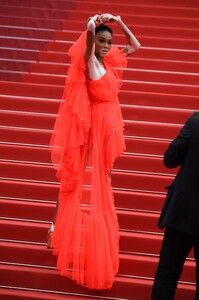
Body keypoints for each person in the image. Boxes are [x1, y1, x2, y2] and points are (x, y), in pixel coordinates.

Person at [48, 13, 140, 290]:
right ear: (93, 40)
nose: (106, 45)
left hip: (110, 123)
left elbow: (135, 46)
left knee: (104, 177)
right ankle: (57, 229)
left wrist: (120, 22)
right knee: (78, 175)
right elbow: (89, 32)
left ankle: (62, 229)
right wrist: (93, 21)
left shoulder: (108, 58)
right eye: (102, 40)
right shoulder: (89, 60)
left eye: (108, 41)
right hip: (96, 124)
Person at [151, 111, 199, 300]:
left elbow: (169, 160)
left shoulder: (195, 123)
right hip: (183, 213)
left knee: (167, 274)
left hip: (183, 213)